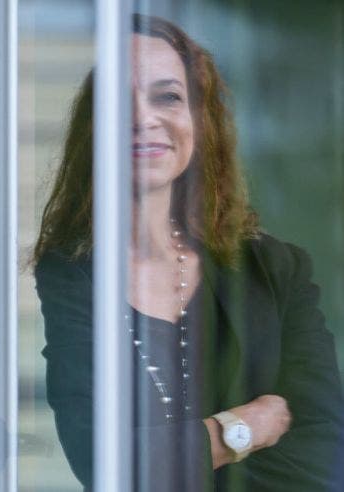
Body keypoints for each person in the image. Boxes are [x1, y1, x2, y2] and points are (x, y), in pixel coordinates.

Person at [33, 14, 344, 491]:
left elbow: (321, 451)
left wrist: (170, 453)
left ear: (201, 121)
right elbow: (103, 461)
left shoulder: (276, 270)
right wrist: (246, 427)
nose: (143, 117)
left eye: (168, 96)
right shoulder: (72, 275)